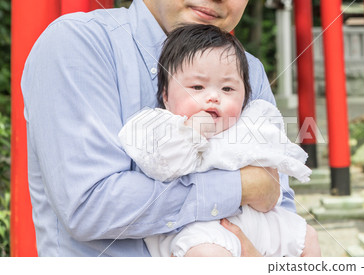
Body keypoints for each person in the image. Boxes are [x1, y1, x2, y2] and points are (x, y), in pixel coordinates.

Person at [21, 0, 319, 256]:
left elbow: (279, 207)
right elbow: (89, 205)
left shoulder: (247, 68)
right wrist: (242, 186)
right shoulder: (80, 43)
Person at [118, 24, 319, 257]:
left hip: (256, 223)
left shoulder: (248, 125)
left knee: (306, 237)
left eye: (227, 88)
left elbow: (270, 195)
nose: (213, 97)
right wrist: (190, 133)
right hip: (197, 229)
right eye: (197, 87)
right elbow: (162, 166)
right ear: (165, 96)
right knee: (210, 254)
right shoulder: (162, 125)